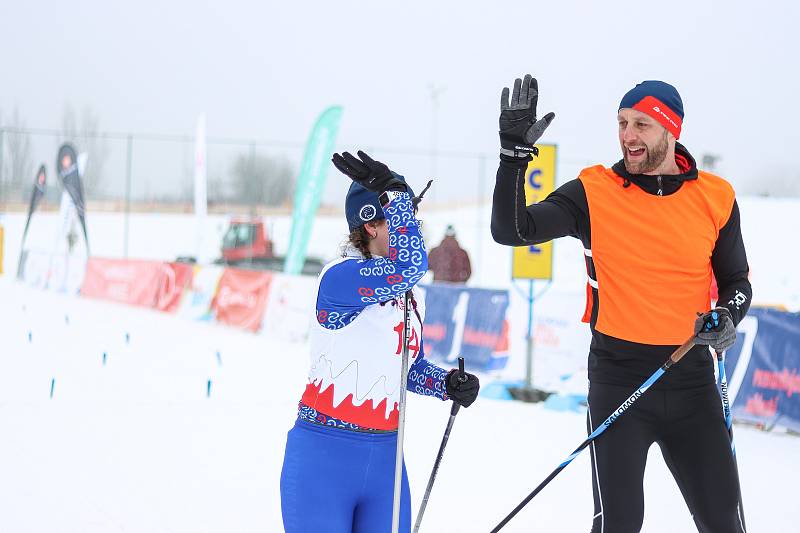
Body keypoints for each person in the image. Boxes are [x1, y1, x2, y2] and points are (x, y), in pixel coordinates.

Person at [491, 75, 751, 533]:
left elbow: (737, 281)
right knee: (619, 524)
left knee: (722, 521)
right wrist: (513, 158)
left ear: (672, 131)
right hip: (619, 378)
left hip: (692, 383)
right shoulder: (593, 191)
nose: (628, 136)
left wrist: (728, 314)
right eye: (622, 123)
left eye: (641, 125)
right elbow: (514, 230)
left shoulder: (716, 197)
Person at [279, 150, 480, 533]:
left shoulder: (405, 295)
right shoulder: (338, 279)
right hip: (324, 459)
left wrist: (445, 383)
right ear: (371, 226)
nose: (413, 229)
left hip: (386, 460)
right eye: (403, 221)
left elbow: (408, 368)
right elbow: (411, 265)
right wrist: (396, 195)